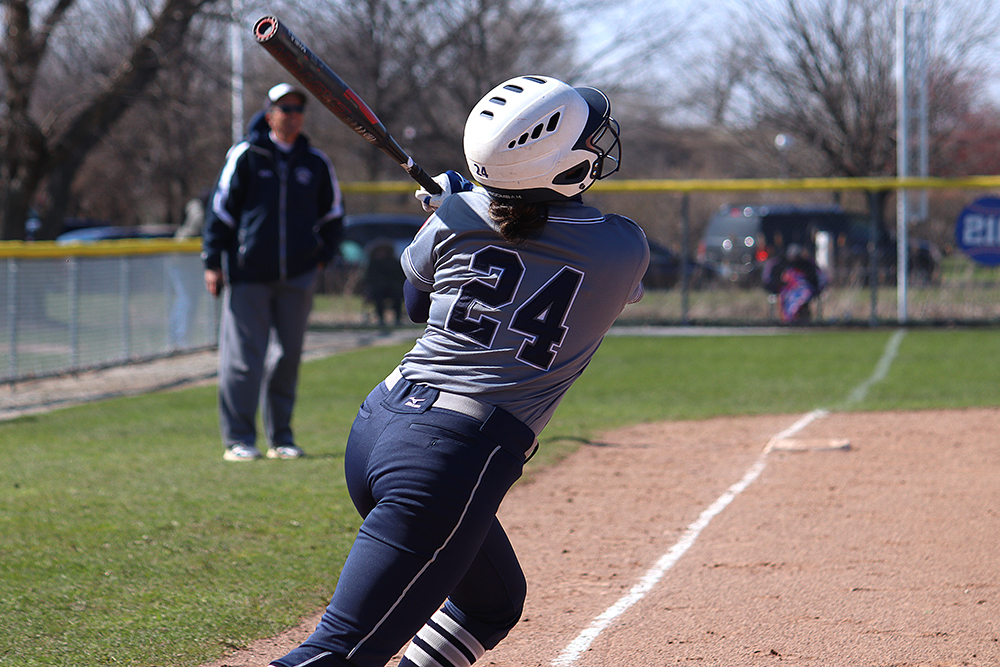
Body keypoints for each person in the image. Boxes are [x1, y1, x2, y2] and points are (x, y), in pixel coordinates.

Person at [269, 75, 649, 667]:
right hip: (449, 460)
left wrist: (457, 209)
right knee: (337, 653)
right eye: (588, 141)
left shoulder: (455, 217)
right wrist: (470, 205)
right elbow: (543, 234)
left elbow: (419, 303)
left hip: (378, 427)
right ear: (563, 167)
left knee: (491, 603)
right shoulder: (622, 249)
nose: (600, 148)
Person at [202, 83, 344, 462]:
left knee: (287, 358)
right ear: (269, 115)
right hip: (249, 274)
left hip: (297, 275)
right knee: (244, 359)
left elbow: (332, 216)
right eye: (285, 108)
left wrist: (321, 257)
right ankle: (239, 439)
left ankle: (281, 437)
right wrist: (212, 262)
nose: (293, 115)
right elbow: (221, 212)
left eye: (298, 108)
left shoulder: (315, 162)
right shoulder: (247, 156)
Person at [764, 243, 827, 323]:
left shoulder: (807, 265)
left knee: (804, 294)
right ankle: (787, 319)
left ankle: (803, 317)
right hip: (786, 290)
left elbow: (817, 280)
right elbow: (772, 282)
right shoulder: (779, 265)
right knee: (786, 296)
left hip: (804, 290)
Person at [362, 238, 405, 326]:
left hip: (393, 288)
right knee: (378, 295)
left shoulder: (394, 263)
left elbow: (400, 277)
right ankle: (381, 318)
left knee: (397, 294)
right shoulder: (373, 264)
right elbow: (368, 278)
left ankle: (397, 318)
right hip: (378, 289)